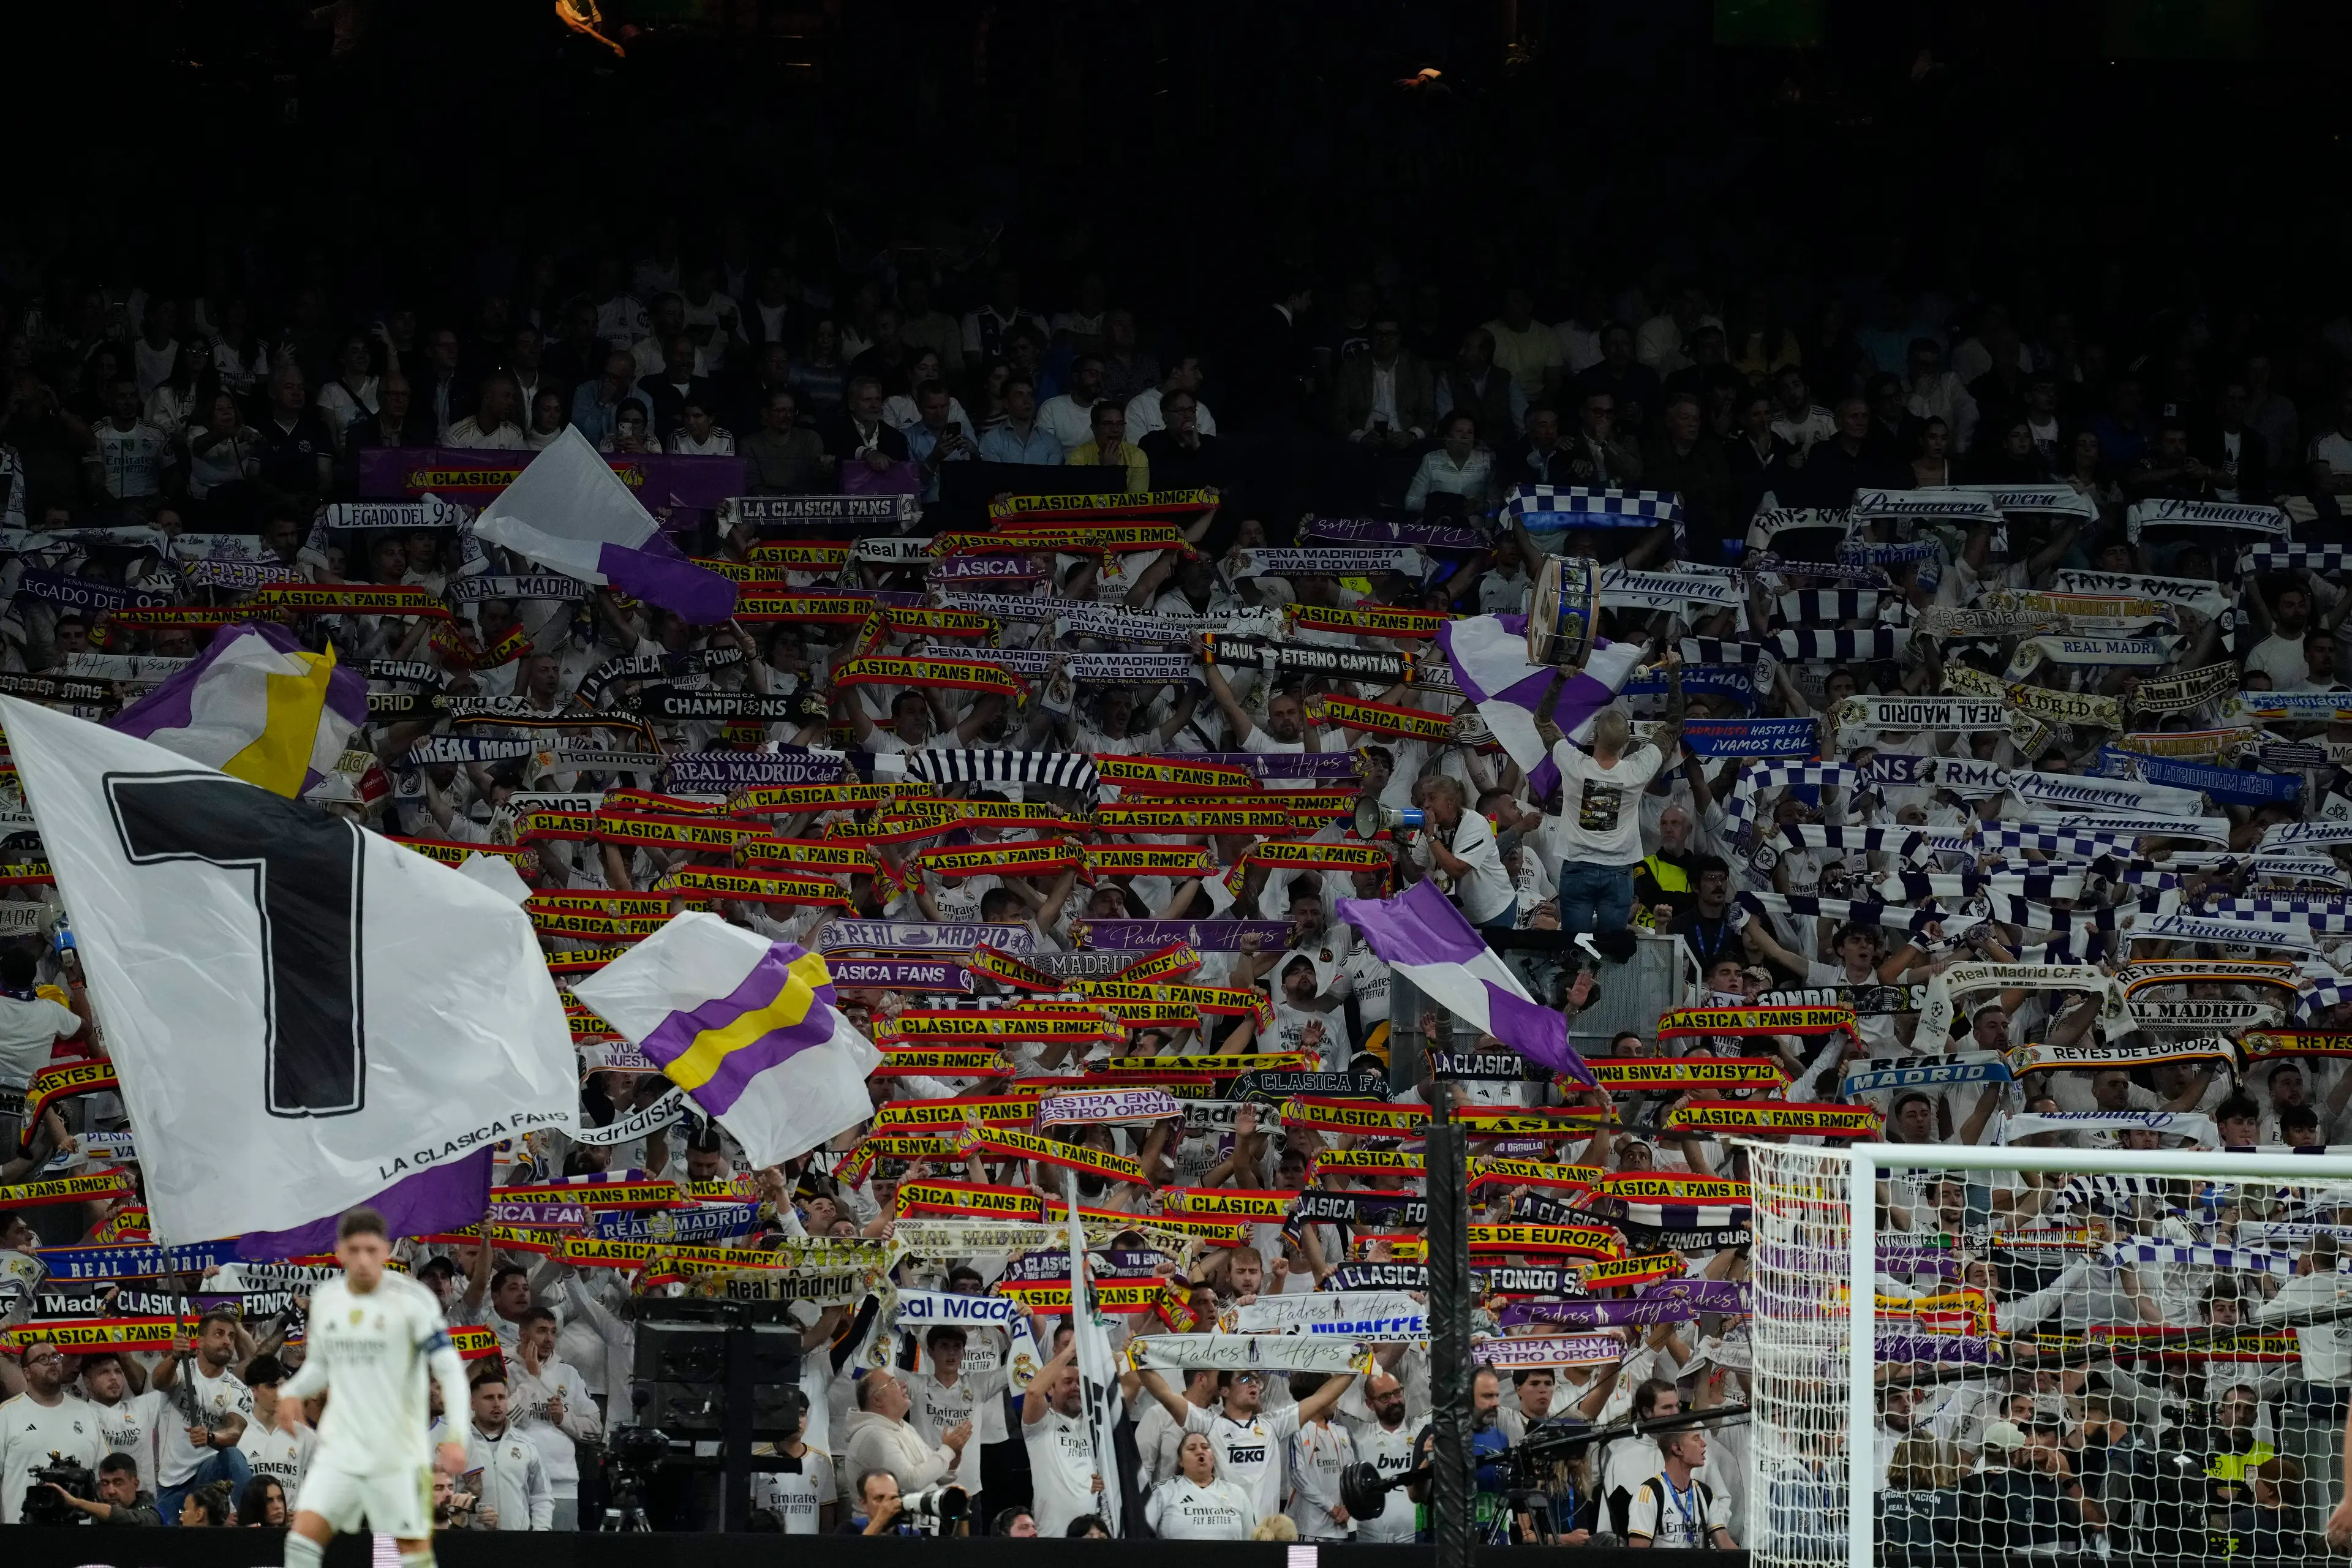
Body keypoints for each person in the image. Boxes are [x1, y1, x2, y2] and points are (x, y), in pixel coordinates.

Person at [274, 1208, 473, 1568]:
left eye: (371, 1250)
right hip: (342, 1447)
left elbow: (449, 1370)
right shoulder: (328, 1301)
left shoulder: (413, 1302)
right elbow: (320, 1365)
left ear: (385, 1251)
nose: (363, 1259)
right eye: (355, 1250)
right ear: (340, 1252)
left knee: (412, 1553)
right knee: (301, 1542)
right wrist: (293, 1391)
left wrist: (458, 1433)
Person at [0, 1339, 106, 1524]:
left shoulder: (86, 1412)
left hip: (79, 1535)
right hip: (22, 1535)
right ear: (27, 1373)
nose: (52, 1362)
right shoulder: (7, 1414)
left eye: (55, 1356)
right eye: (42, 1359)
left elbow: (103, 1474)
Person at [1626, 1427, 1736, 1550]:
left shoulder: (1705, 1493)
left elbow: (1727, 1547)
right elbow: (1637, 1558)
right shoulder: (1649, 1494)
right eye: (1696, 1439)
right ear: (1677, 1449)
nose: (1704, 1443)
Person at [1144, 1431, 1254, 1539]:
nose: (1200, 1452)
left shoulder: (1236, 1493)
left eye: (1205, 1447)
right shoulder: (1163, 1491)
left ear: (1213, 1458)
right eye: (1192, 1448)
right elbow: (1142, 1535)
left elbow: (1251, 1539)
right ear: (1181, 1461)